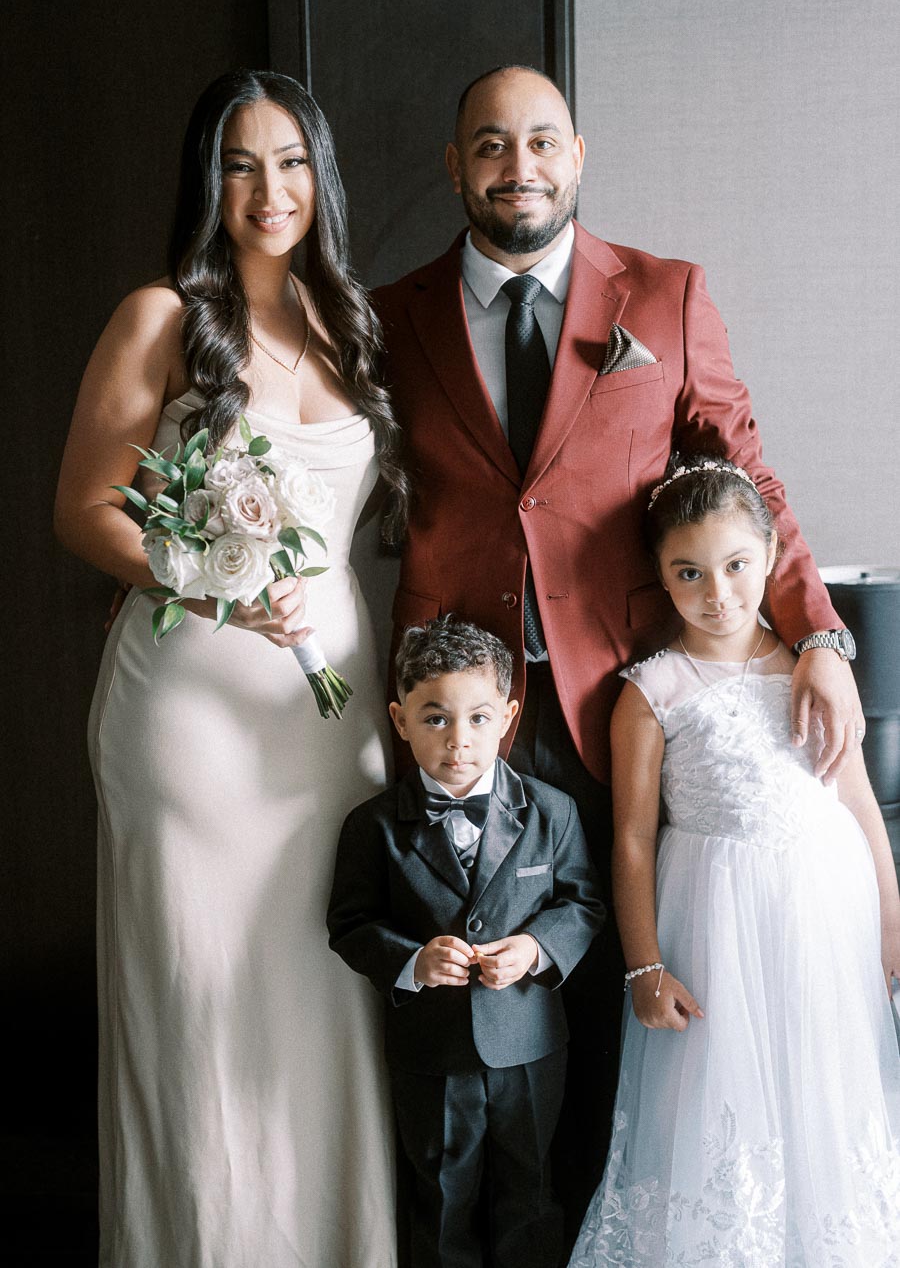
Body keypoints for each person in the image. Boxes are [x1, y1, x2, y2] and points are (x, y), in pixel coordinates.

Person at [373, 62, 866, 1231]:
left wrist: (822, 635)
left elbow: (752, 480)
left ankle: (611, 1230)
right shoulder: (389, 317)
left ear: (579, 154)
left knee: (632, 985)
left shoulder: (668, 296)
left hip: (631, 710)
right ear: (456, 167)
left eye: (542, 141)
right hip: (462, 713)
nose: (519, 166)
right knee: (477, 1005)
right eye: (490, 145)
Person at [54, 69, 408, 1268]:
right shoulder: (162, 315)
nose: (270, 190)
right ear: (209, 181)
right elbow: (84, 508)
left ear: (323, 178)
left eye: (293, 162)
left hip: (325, 719)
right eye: (242, 165)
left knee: (320, 999)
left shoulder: (346, 318)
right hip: (192, 722)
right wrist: (211, 579)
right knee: (202, 1008)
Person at [568, 455, 900, 1266]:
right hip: (713, 926)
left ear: (769, 558)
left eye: (736, 566)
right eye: (689, 573)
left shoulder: (811, 671)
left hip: (826, 913)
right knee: (719, 1106)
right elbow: (633, 839)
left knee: (825, 1095)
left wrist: (890, 932)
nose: (717, 593)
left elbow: (859, 807)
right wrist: (643, 965)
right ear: (660, 577)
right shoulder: (653, 691)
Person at [327, 616, 605, 1268]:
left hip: (530, 1046)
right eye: (435, 719)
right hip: (433, 1051)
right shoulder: (371, 827)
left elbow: (583, 904)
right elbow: (350, 925)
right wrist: (414, 962)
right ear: (399, 719)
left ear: (509, 716)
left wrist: (535, 948)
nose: (459, 740)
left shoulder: (552, 810)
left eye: (479, 719)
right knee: (441, 1198)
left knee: (530, 1193)